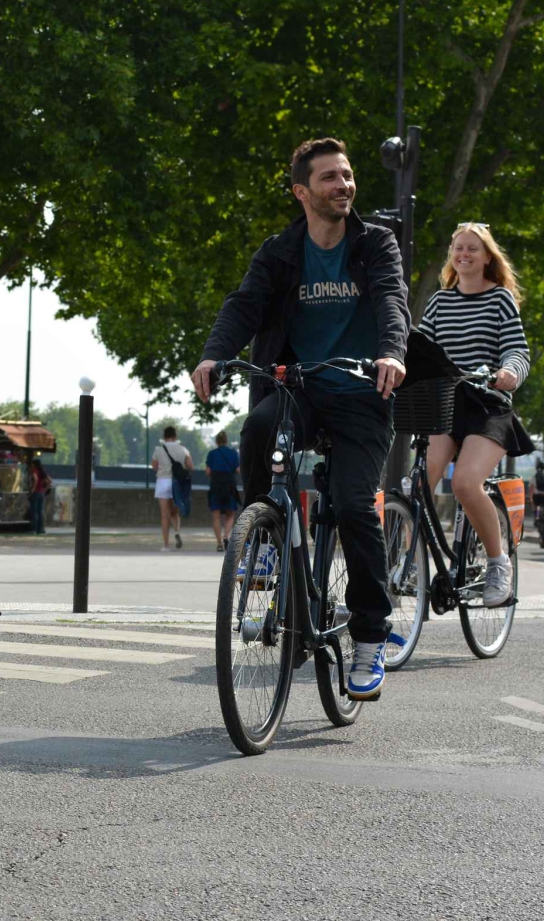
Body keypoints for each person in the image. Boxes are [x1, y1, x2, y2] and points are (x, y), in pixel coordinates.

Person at [191, 137, 409, 700]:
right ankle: (263, 536)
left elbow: (391, 299)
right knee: (260, 428)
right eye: (330, 178)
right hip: (300, 389)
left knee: (357, 508)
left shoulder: (375, 244)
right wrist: (215, 352)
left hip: (362, 392)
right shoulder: (281, 250)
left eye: (348, 175)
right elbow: (245, 303)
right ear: (302, 191)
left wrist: (392, 351)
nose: (344, 185)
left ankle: (368, 639)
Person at [419, 222, 534, 604]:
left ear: (487, 257)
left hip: (487, 404)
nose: (464, 254)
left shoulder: (500, 298)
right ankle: (404, 561)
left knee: (465, 483)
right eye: (458, 248)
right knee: (417, 483)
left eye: (472, 249)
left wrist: (509, 372)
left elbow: (518, 350)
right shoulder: (439, 302)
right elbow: (419, 349)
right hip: (446, 403)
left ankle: (499, 563)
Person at [151, 426, 194, 551]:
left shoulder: (158, 449)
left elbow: (154, 466)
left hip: (163, 481)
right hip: (178, 482)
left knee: (165, 514)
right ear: (176, 436)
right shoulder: (183, 449)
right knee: (174, 512)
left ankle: (165, 545)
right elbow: (190, 466)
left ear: (164, 436)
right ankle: (176, 531)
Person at [205, 431, 241, 550]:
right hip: (229, 485)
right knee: (230, 514)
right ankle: (226, 535)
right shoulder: (233, 453)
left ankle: (219, 543)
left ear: (217, 441)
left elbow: (208, 472)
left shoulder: (211, 454)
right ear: (226, 440)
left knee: (216, 516)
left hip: (216, 485)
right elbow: (238, 470)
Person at [27, 457, 53, 534]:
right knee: (40, 511)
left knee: (34, 512)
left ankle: (34, 529)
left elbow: (35, 479)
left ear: (34, 465)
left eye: (32, 464)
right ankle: (40, 529)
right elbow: (49, 481)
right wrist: (45, 489)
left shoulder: (35, 471)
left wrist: (33, 489)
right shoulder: (42, 472)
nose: (31, 465)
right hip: (41, 493)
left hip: (36, 493)